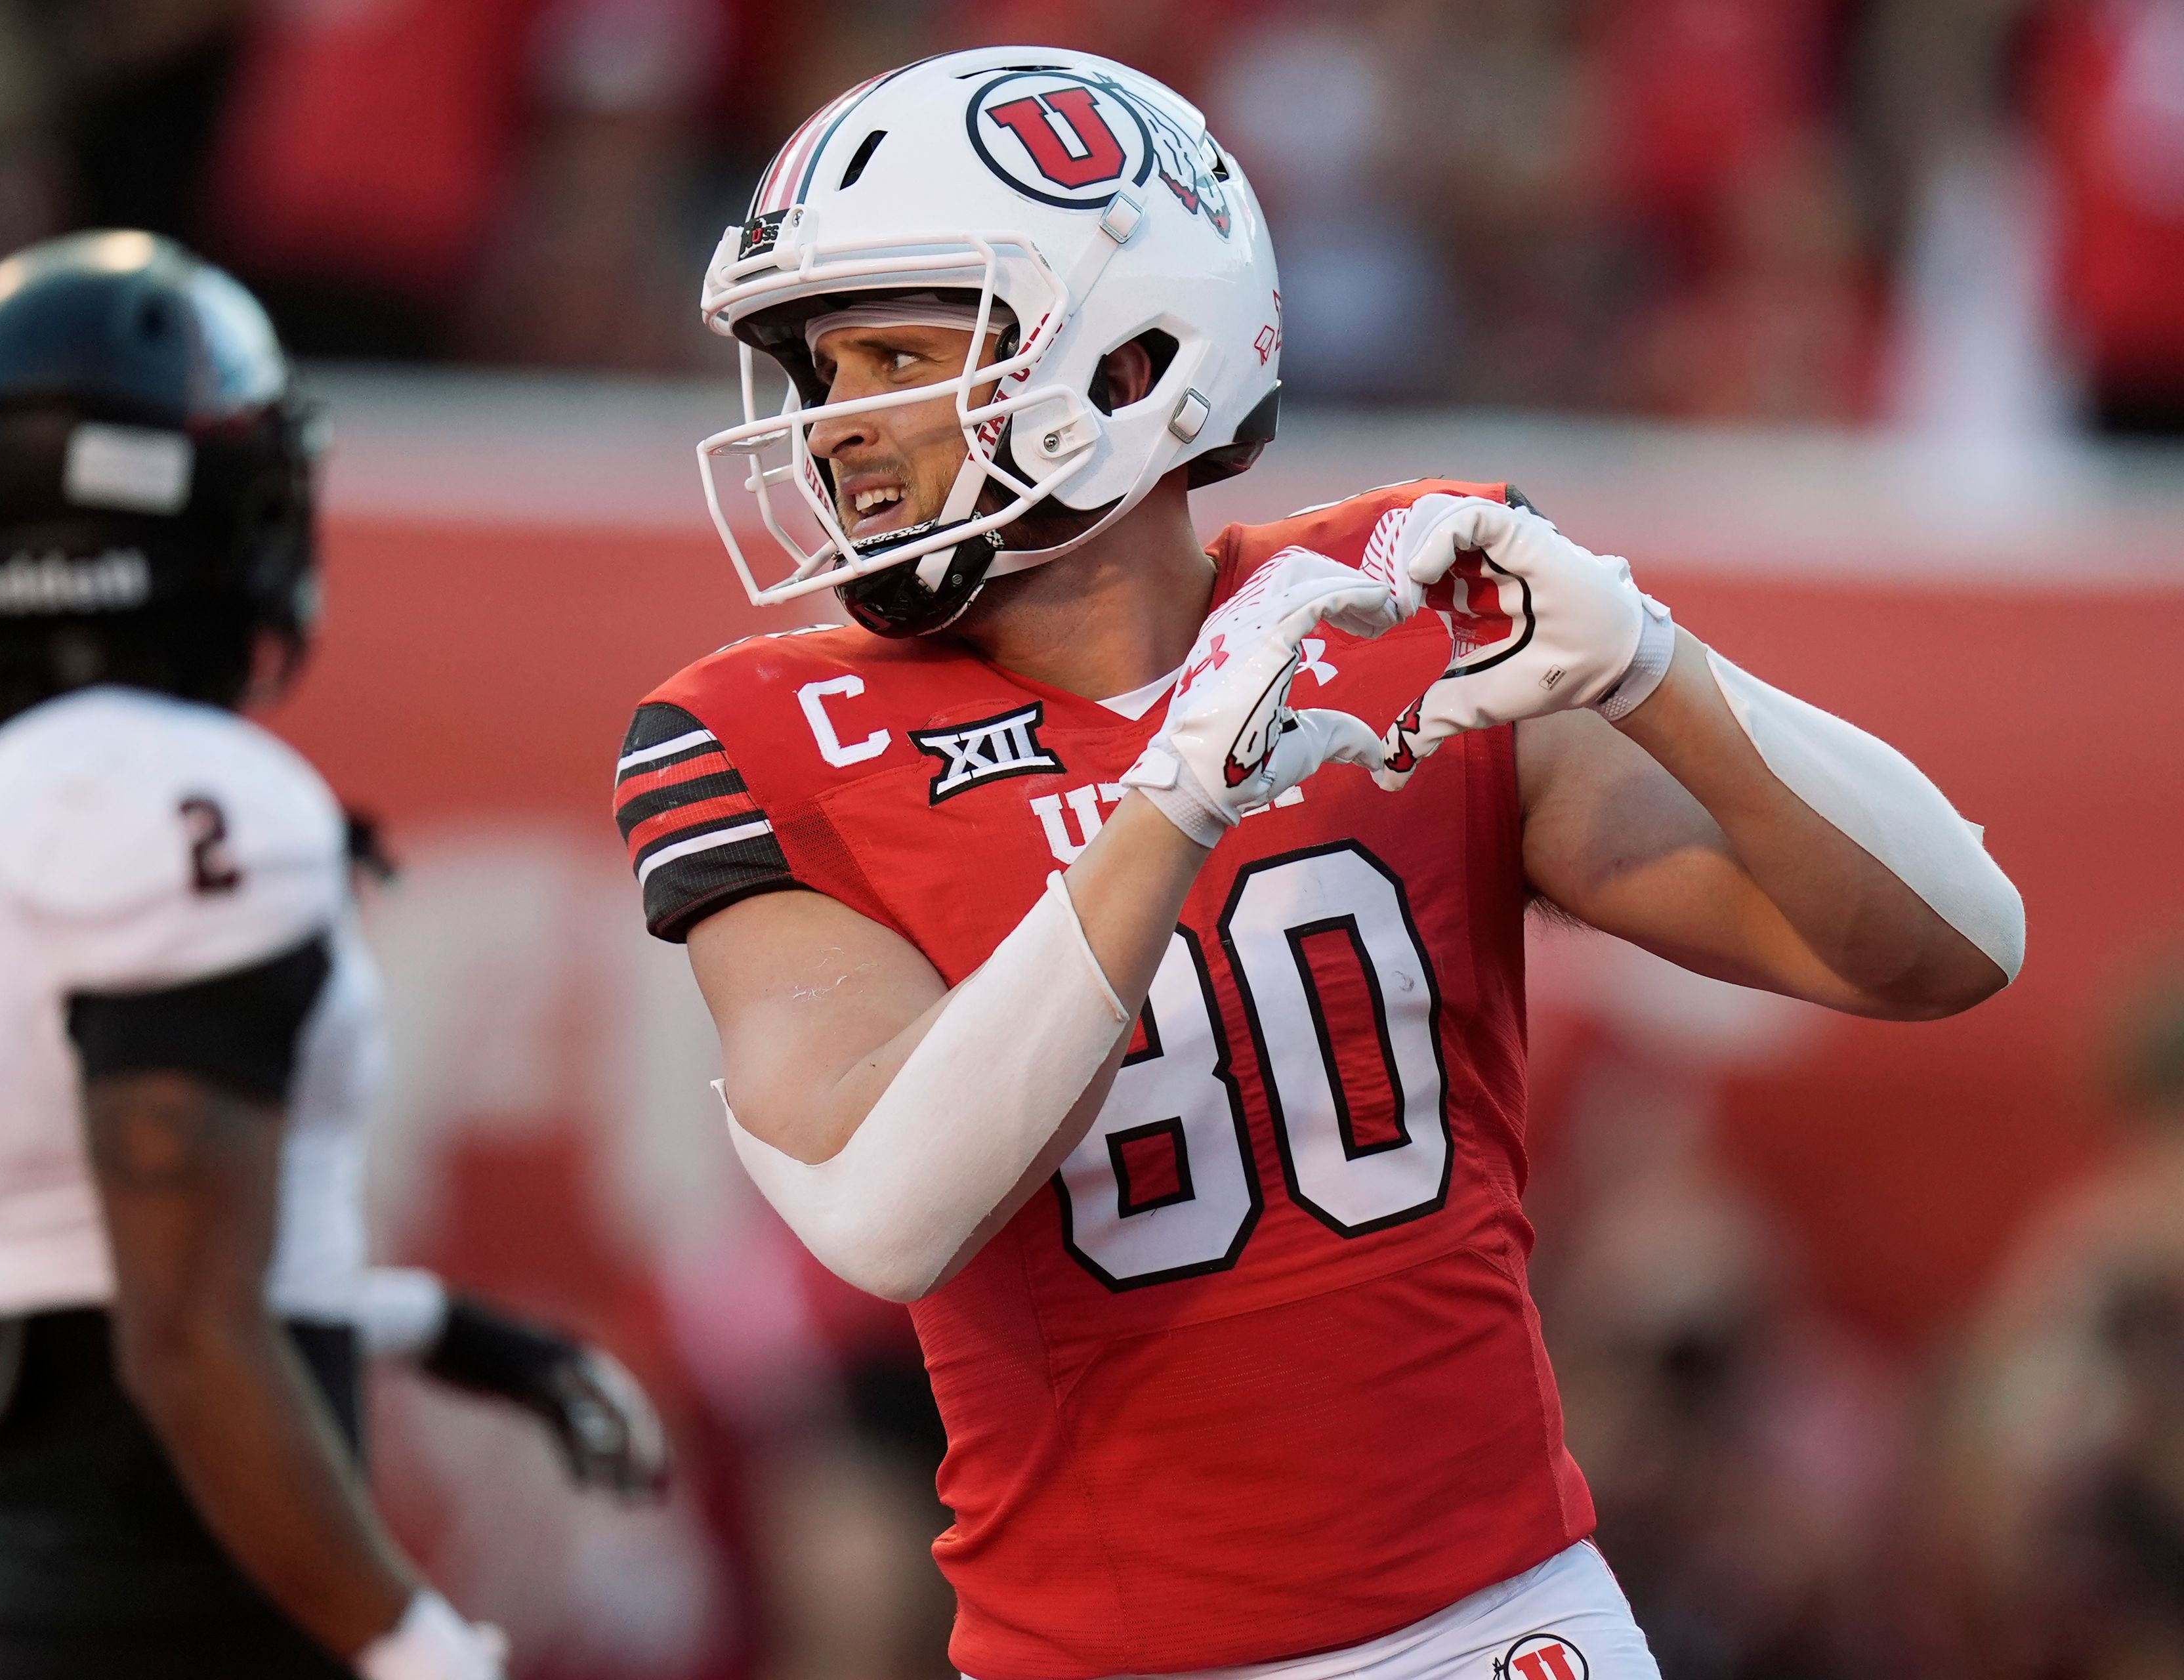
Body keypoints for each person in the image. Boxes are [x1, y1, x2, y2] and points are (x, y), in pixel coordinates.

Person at [615, 47, 2025, 1680]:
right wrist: (1178, 797)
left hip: (1507, 1625)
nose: (838, 428)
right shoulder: (769, 725)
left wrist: (1654, 663)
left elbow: (1952, 944)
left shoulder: (1388, 602)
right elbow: (887, 1208)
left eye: (896, 357)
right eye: (821, 368)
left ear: (1132, 350)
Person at [0, 230, 667, 1680]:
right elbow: (185, 1339)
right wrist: (419, 1647)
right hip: (189, 1617)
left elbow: (55, 1266)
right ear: (176, 506)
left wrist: (434, 1325)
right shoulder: (190, 800)